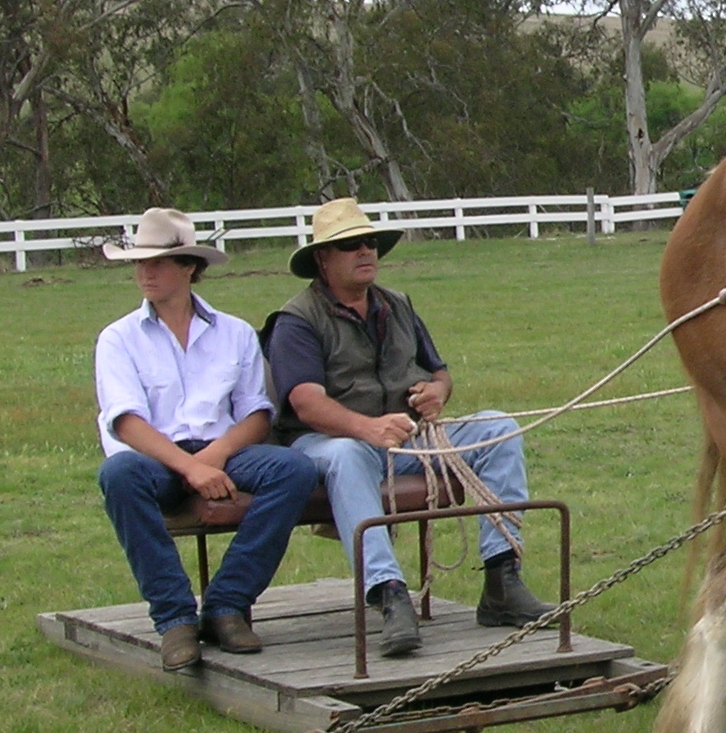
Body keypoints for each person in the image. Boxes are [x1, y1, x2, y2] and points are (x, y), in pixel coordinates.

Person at [268, 197, 550, 658]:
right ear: (322, 259)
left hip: (408, 437)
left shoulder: (396, 305)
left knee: (498, 427)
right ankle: (388, 593)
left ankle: (502, 578)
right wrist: (367, 428)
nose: (365, 252)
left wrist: (438, 393)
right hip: (327, 443)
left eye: (370, 243)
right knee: (345, 455)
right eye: (350, 245)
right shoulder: (296, 320)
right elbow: (305, 401)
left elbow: (439, 372)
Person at [95, 208, 318, 671]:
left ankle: (227, 604)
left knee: (294, 469)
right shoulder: (118, 339)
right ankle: (175, 617)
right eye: (139, 263)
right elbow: (127, 423)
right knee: (118, 473)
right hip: (154, 458)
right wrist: (190, 467)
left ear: (189, 268)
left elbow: (258, 414)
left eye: (156, 263)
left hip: (222, 450)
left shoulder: (234, 332)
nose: (144, 273)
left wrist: (215, 456)